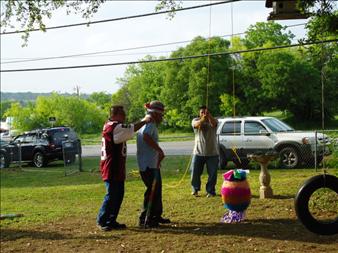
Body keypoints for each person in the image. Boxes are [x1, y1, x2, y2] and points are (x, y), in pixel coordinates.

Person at [97, 105, 152, 231]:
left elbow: (129, 129)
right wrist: (145, 120)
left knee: (119, 194)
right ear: (115, 114)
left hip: (117, 167)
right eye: (122, 114)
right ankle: (102, 220)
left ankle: (111, 220)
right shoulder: (113, 126)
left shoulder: (113, 125)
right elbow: (132, 128)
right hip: (111, 167)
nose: (125, 116)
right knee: (111, 195)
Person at [137, 100, 171, 228]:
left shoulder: (148, 121)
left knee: (156, 190)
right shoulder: (150, 122)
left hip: (151, 163)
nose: (162, 117)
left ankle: (156, 215)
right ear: (156, 113)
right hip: (148, 165)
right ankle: (145, 218)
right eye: (161, 115)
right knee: (152, 191)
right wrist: (159, 150)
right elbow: (146, 136)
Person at [191, 105, 219, 197]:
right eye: (201, 112)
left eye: (205, 112)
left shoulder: (214, 120)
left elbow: (214, 124)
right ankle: (195, 189)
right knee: (195, 172)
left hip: (212, 153)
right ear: (199, 114)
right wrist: (203, 118)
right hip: (198, 152)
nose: (204, 114)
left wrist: (209, 116)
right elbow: (196, 125)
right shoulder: (195, 120)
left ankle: (210, 191)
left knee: (212, 174)